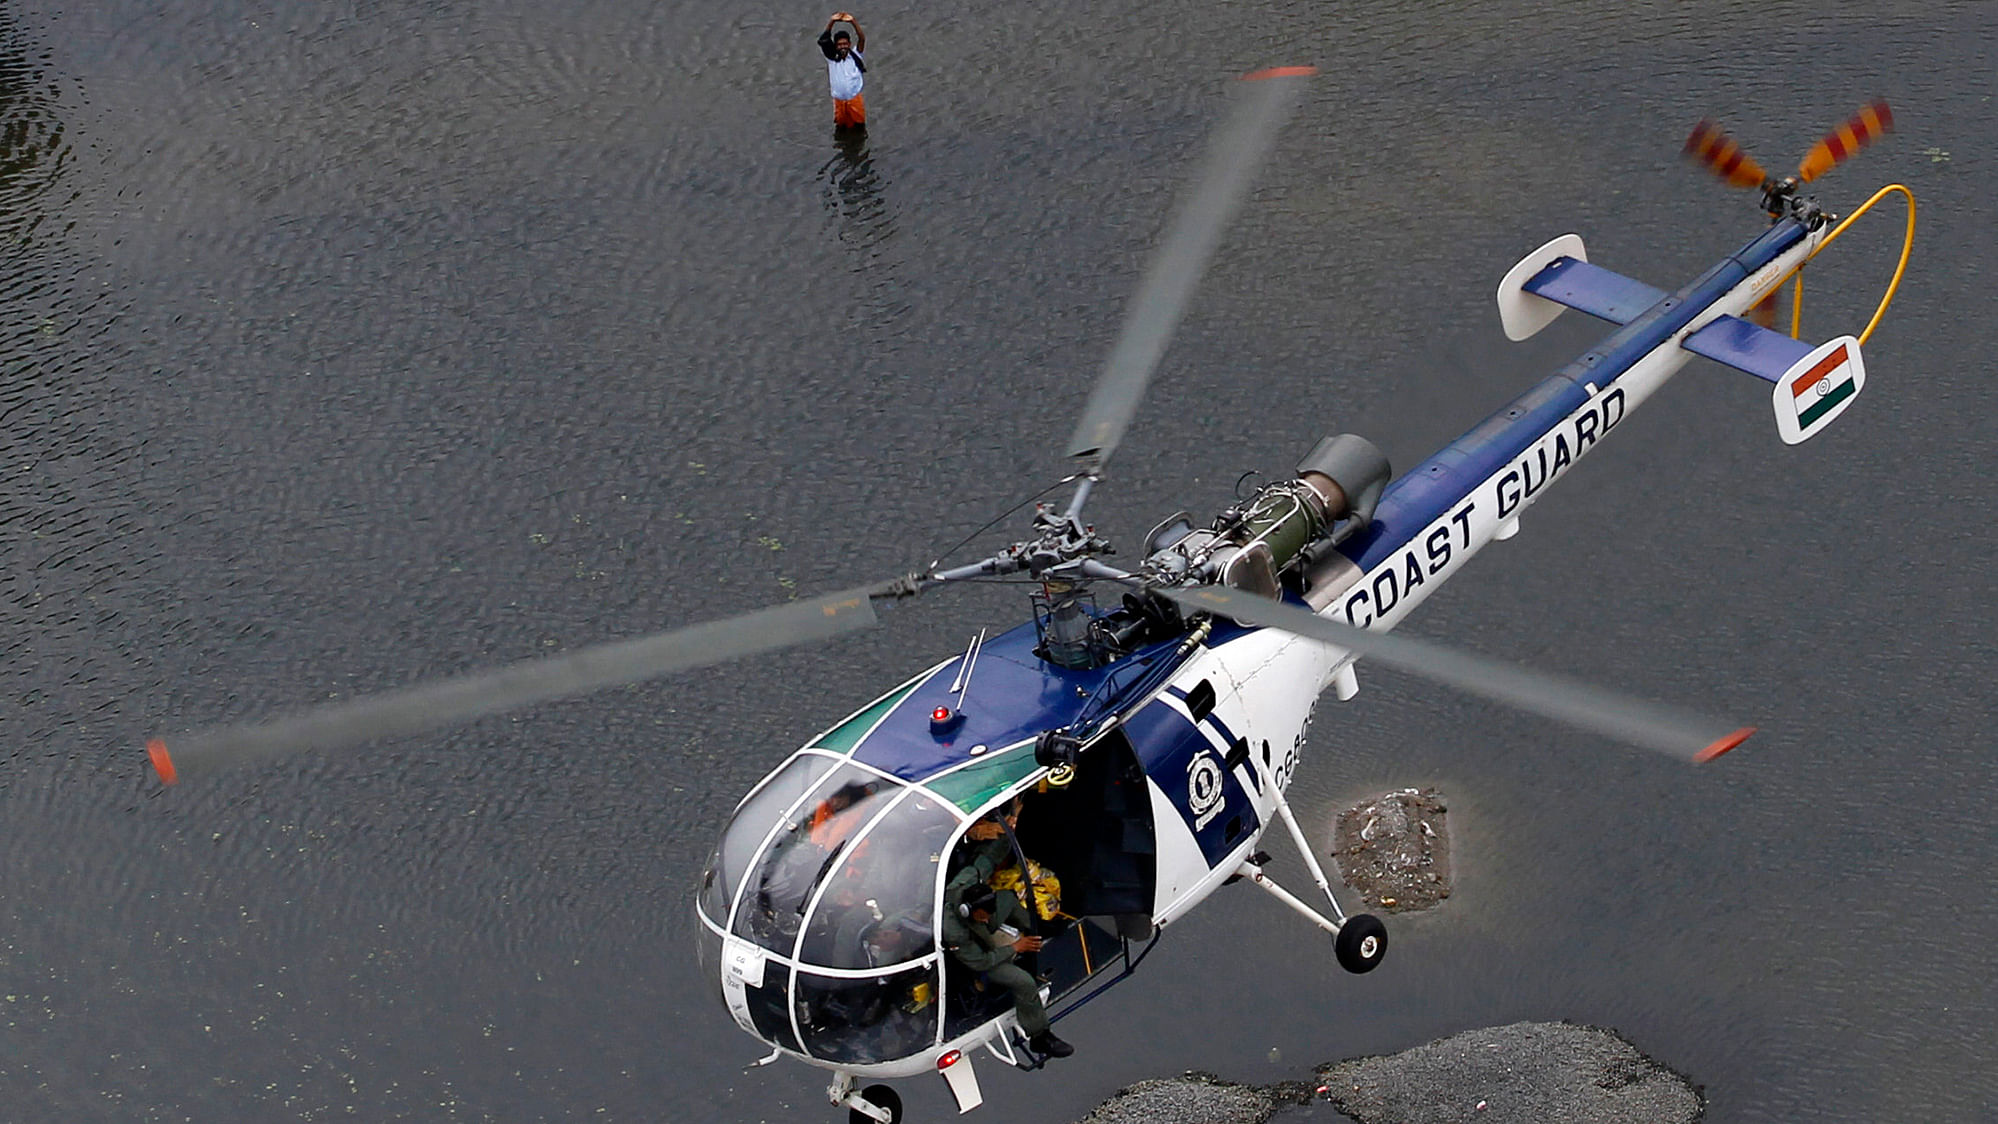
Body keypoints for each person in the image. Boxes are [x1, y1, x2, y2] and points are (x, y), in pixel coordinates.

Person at [942, 883, 1074, 1058]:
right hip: (976, 963)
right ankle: (1040, 1037)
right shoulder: (955, 933)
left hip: (980, 936)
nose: (987, 920)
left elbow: (986, 862)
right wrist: (1015, 948)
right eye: (983, 917)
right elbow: (981, 961)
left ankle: (1036, 927)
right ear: (968, 910)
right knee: (1023, 982)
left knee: (1008, 899)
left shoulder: (971, 893)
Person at [817, 13, 867, 129]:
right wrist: (832, 22)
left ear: (849, 44)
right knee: (841, 128)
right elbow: (824, 39)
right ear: (835, 46)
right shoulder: (832, 59)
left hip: (854, 100)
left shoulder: (856, 56)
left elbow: (862, 38)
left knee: (859, 127)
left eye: (845, 44)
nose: (842, 46)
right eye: (839, 45)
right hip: (839, 102)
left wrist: (852, 21)